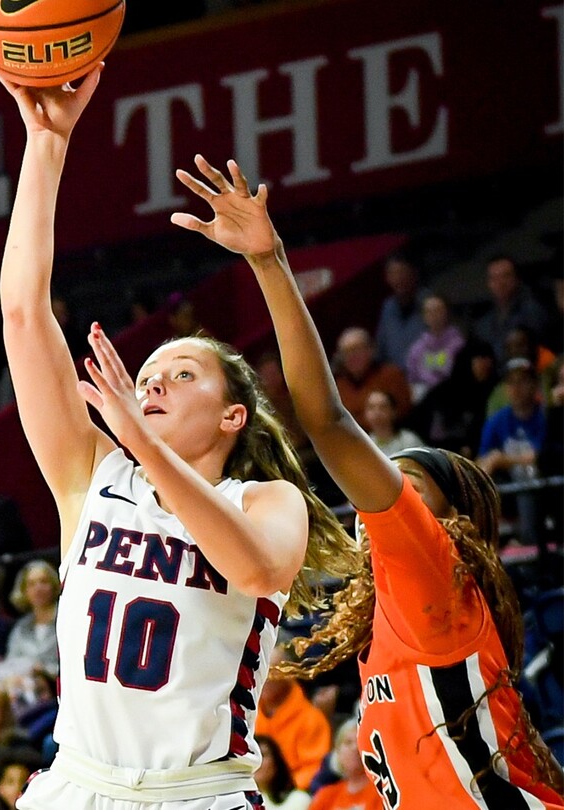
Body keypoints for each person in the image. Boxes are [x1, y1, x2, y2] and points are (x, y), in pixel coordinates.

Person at [0, 71, 358, 808]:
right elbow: (24, 314)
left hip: (199, 793)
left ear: (234, 417)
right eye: (150, 373)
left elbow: (257, 571)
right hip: (78, 784)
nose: (152, 383)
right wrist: (46, 144)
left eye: (182, 374)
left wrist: (148, 448)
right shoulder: (94, 475)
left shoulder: (268, 499)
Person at [170, 153, 564, 804]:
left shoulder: (432, 567)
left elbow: (326, 422)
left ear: (444, 522)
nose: (369, 497)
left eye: (407, 485)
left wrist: (269, 264)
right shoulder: (390, 619)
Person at [254, 644, 332, 790]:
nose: (266, 679)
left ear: (291, 674)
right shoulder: (246, 713)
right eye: (262, 671)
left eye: (274, 672)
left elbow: (314, 769)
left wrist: (281, 790)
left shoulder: (311, 719)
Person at [474, 256, 549, 365]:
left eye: (505, 276)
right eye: (494, 278)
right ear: (489, 283)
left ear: (516, 279)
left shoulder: (532, 311)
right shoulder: (483, 324)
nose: (500, 283)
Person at [333, 327, 413, 425]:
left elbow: (404, 413)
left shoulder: (391, 375)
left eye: (357, 349)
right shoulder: (338, 385)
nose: (352, 356)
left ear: (371, 350)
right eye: (346, 352)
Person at [306, 722, 382, 810]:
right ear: (337, 752)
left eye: (361, 741)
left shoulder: (383, 793)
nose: (355, 748)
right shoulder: (326, 796)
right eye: (348, 742)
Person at [405, 293, 464, 401]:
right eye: (429, 311)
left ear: (446, 313)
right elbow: (412, 381)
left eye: (438, 310)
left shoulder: (459, 345)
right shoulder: (416, 349)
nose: (433, 315)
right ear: (424, 316)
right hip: (426, 401)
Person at [374, 256, 427, 370]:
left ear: (414, 274)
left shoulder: (431, 304)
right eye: (393, 273)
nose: (398, 278)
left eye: (402, 272)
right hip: (396, 380)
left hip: (429, 378)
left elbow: (446, 354)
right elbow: (380, 351)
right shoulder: (387, 308)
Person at [254, 735, 310, 810]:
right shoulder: (238, 801)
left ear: (277, 763)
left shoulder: (299, 799)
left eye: (262, 755)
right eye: (252, 755)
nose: (256, 761)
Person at [362, 391, 425, 457]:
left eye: (383, 407)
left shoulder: (410, 441)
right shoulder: (364, 444)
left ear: (393, 411)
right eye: (371, 407)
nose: (377, 412)